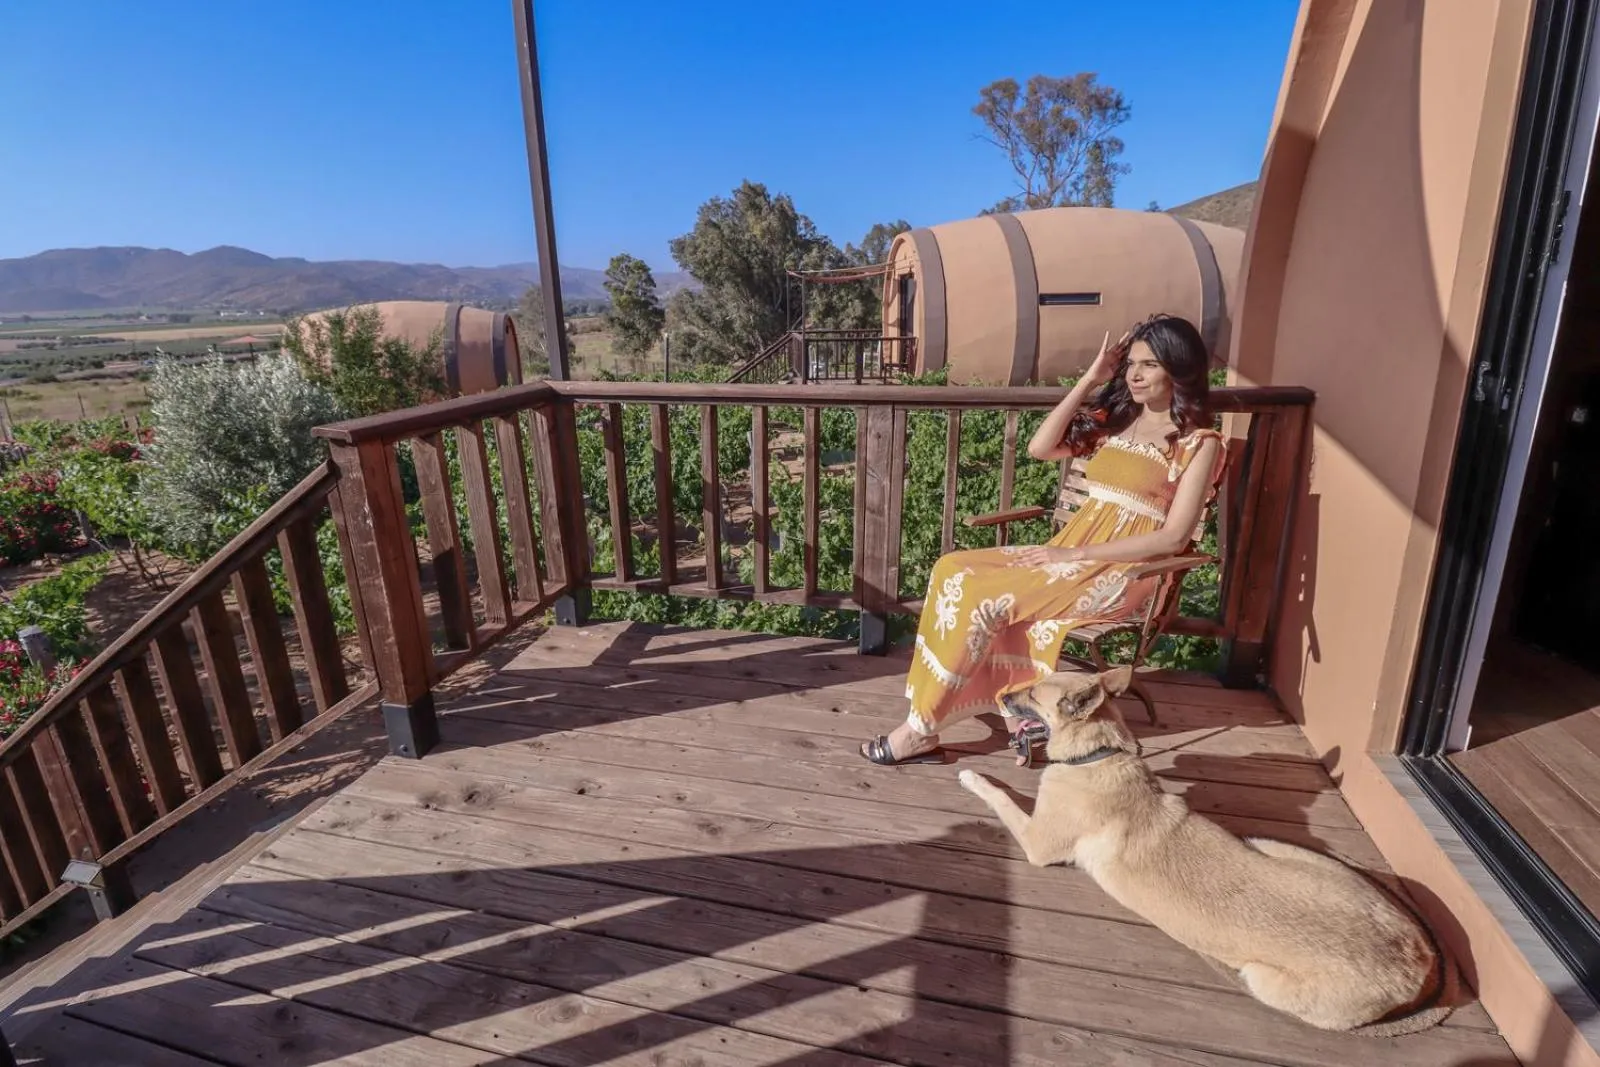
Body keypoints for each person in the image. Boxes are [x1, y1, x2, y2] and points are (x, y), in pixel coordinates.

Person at [860, 313, 1226, 766]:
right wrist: (1090, 380)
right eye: (1130, 363)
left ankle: (921, 730)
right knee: (952, 567)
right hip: (1071, 550)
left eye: (1149, 364)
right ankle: (1001, 707)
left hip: (1121, 572)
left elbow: (1173, 538)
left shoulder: (1198, 443)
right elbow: (1040, 448)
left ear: (1179, 368)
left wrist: (1075, 553)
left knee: (985, 599)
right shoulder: (1118, 422)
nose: (1134, 374)